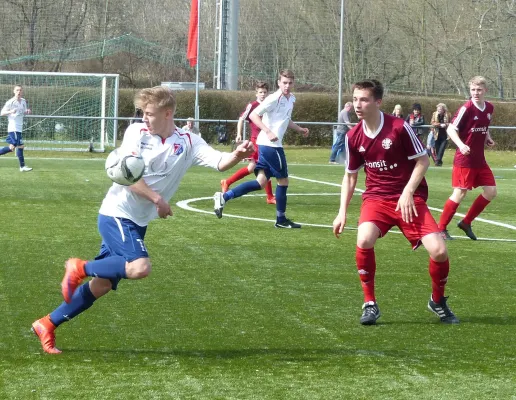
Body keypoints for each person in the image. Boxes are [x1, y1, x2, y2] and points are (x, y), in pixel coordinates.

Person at [31, 86, 254, 354]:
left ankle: (47, 323)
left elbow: (219, 162)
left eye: (149, 113)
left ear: (167, 113)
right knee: (139, 267)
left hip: (137, 222)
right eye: (143, 113)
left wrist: (237, 156)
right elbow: (125, 176)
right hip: (116, 213)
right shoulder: (136, 133)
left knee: (101, 285)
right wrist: (158, 199)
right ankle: (79, 267)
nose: (144, 118)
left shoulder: (188, 142)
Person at [332, 79, 459, 326]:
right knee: (363, 239)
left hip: (409, 199)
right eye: (356, 99)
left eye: (364, 99)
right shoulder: (352, 136)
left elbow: (423, 160)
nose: (358, 104)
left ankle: (438, 300)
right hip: (376, 198)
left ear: (377, 102)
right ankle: (370, 303)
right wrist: (342, 212)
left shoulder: (399, 127)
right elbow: (350, 176)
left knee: (439, 251)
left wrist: (408, 192)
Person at [213, 69, 309, 228]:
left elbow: (285, 119)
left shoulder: (291, 99)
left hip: (268, 146)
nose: (287, 85)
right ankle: (281, 220)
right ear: (279, 83)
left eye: (290, 83)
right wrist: (268, 131)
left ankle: (224, 197)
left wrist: (299, 129)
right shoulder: (273, 98)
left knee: (260, 182)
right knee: (283, 181)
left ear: (293, 83)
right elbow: (253, 115)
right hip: (270, 146)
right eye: (284, 82)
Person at [438, 76, 496, 241]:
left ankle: (466, 222)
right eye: (473, 90)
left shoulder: (489, 107)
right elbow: (451, 129)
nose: (475, 93)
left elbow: (483, 126)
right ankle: (440, 229)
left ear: (485, 90)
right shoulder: (467, 108)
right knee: (460, 193)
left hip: (479, 160)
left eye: (479, 90)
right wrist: (461, 145)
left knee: (491, 191)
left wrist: (487, 137)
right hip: (465, 160)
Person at [220, 81, 276, 204]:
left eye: (265, 92)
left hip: (266, 141)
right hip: (257, 141)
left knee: (255, 168)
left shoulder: (270, 105)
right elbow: (241, 119)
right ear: (256, 93)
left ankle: (227, 182)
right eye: (260, 92)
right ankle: (270, 196)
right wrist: (239, 134)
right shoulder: (253, 105)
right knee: (260, 167)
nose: (263, 94)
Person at [0, 85, 33, 171]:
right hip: (13, 128)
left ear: (22, 92)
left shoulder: (23, 101)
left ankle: (22, 167)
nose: (19, 92)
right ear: (14, 91)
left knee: (20, 146)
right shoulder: (10, 102)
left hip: (19, 128)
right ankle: (22, 167)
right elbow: (2, 113)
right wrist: (10, 111)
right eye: (17, 90)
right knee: (13, 147)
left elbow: (23, 111)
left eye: (20, 90)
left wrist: (27, 111)